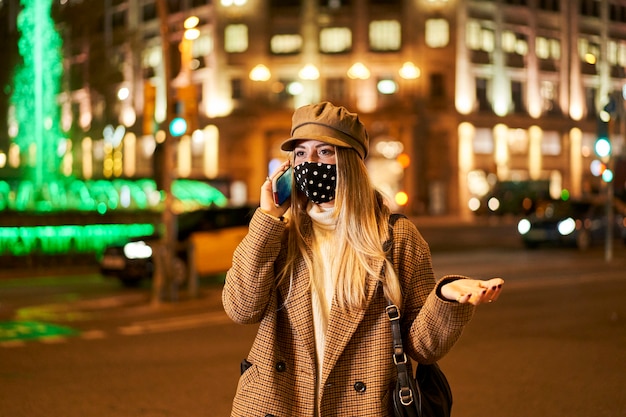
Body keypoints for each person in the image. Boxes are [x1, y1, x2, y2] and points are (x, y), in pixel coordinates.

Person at [222, 101, 504, 417]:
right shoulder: (281, 235)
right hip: (275, 405)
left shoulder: (396, 237)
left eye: (324, 152)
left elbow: (423, 349)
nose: (310, 163)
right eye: (301, 154)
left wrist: (446, 296)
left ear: (350, 162)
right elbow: (241, 308)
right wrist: (266, 218)